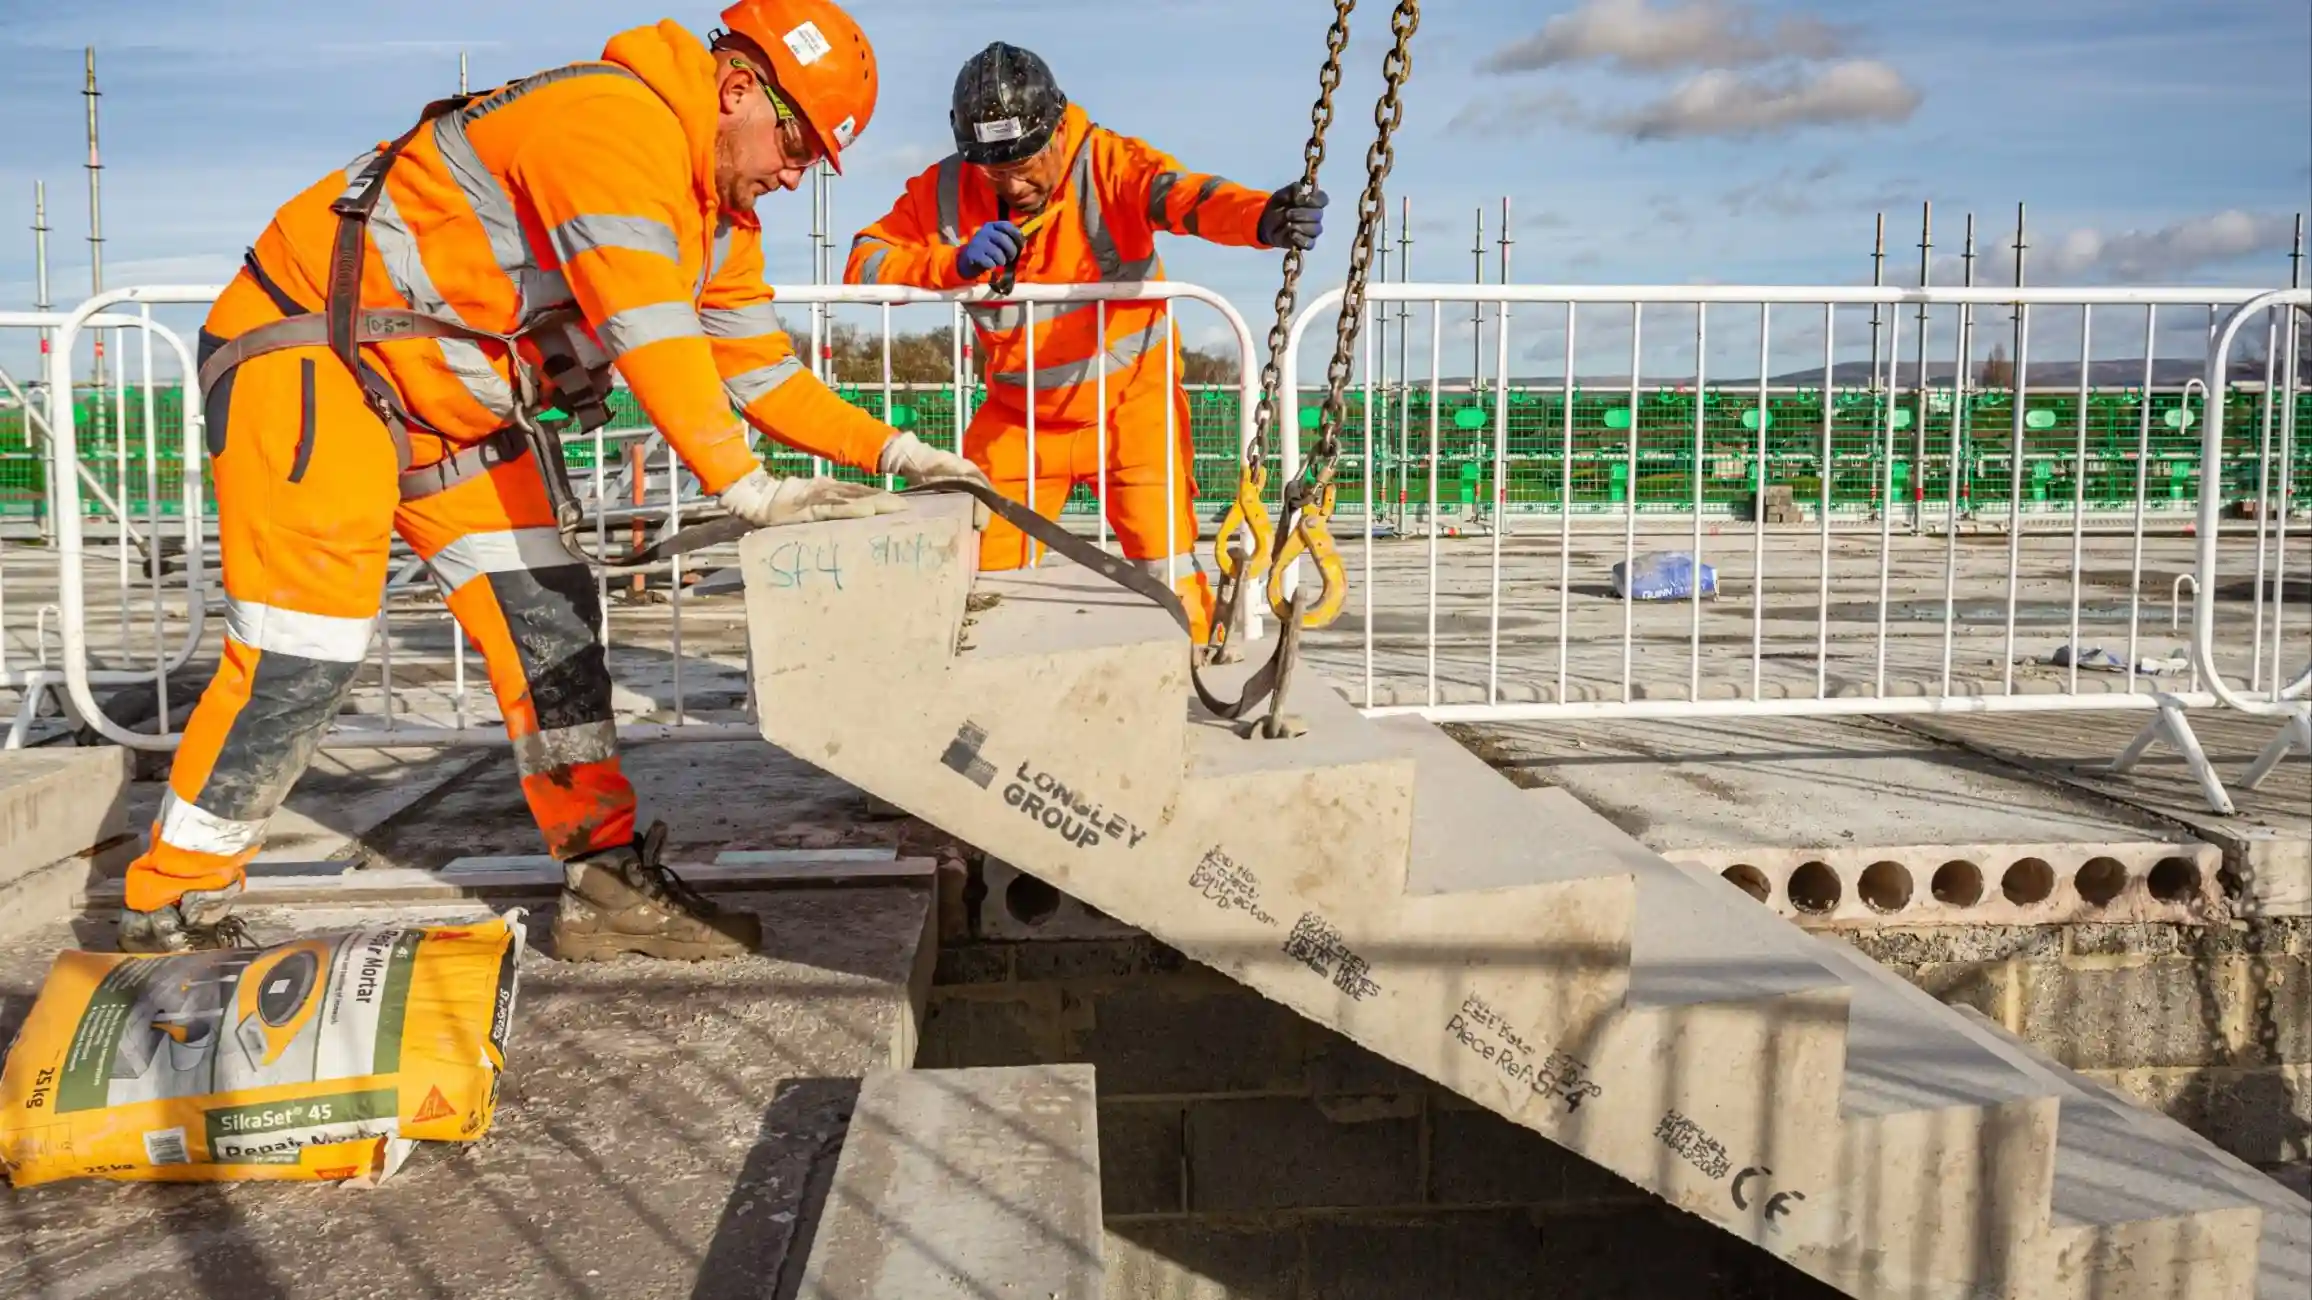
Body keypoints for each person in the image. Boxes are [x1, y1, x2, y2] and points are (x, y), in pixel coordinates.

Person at [119, 0, 987, 959]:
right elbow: (648, 328)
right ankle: (174, 901)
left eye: (812, 160)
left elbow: (762, 372)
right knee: (303, 650)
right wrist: (747, 487)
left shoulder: (717, 224)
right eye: (796, 144)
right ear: (737, 89)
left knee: (550, 630)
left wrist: (898, 453)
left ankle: (604, 881)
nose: (794, 175)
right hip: (310, 363)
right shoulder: (611, 123)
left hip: (442, 410)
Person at [845, 42, 1326, 641]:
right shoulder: (944, 190)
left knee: (1169, 574)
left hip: (1133, 413)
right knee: (980, 581)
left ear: (1055, 130)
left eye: (1025, 162)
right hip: (1018, 420)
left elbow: (1186, 196)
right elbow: (864, 264)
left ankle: (1193, 668)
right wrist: (950, 263)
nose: (1013, 181)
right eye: (994, 170)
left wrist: (1260, 217)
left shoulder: (1108, 164)